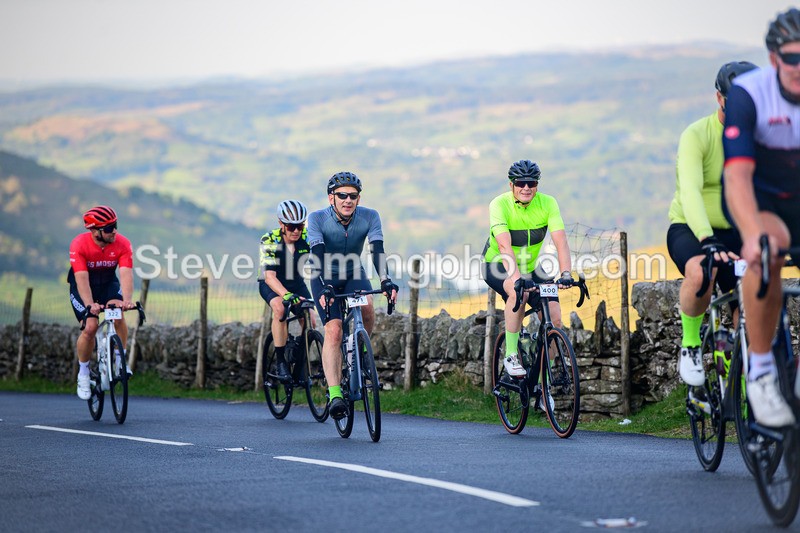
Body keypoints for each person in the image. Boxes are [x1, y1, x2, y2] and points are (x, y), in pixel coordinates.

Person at [723, 7, 800, 427]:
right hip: (758, 198)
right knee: (767, 249)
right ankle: (761, 367)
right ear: (774, 59)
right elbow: (736, 178)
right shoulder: (749, 93)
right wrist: (751, 234)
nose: (799, 68)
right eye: (792, 58)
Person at [666, 61, 757, 387]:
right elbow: (690, 191)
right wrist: (707, 238)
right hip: (691, 229)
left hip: (738, 231)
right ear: (720, 98)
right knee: (702, 271)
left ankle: (749, 386)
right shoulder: (697, 135)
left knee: (753, 297)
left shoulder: (760, 137)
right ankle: (690, 345)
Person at [306, 171, 398, 420]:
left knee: (368, 307)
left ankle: (356, 354)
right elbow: (317, 253)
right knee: (334, 330)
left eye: (353, 196)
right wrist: (325, 285)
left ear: (359, 198)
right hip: (323, 276)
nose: (348, 200)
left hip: (353, 272)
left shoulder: (370, 216)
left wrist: (386, 280)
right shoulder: (316, 219)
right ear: (331, 198)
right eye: (342, 195)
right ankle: (335, 394)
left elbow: (377, 250)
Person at [482, 160, 573, 380]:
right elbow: (504, 245)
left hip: (532, 268)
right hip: (498, 265)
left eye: (531, 182)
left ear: (537, 185)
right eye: (520, 182)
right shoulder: (499, 204)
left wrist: (566, 274)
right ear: (511, 185)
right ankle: (511, 354)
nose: (526, 187)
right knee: (518, 292)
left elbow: (561, 241)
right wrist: (516, 279)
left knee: (555, 318)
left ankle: (543, 386)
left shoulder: (548, 203)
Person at [68, 206, 135, 400]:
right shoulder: (79, 245)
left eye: (115, 226)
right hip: (84, 285)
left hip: (107, 283)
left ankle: (120, 360)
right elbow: (81, 278)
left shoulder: (122, 243)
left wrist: (127, 301)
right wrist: (90, 305)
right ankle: (83, 373)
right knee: (90, 327)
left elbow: (125, 274)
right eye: (108, 228)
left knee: (118, 313)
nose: (114, 231)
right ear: (95, 231)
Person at [258, 199, 314, 381]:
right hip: (272, 284)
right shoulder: (270, 239)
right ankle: (281, 361)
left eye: (300, 226)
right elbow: (269, 277)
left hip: (296, 283)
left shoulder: (307, 237)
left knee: (310, 318)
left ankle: (298, 354)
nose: (296, 231)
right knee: (280, 309)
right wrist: (286, 295)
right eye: (291, 227)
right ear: (281, 224)